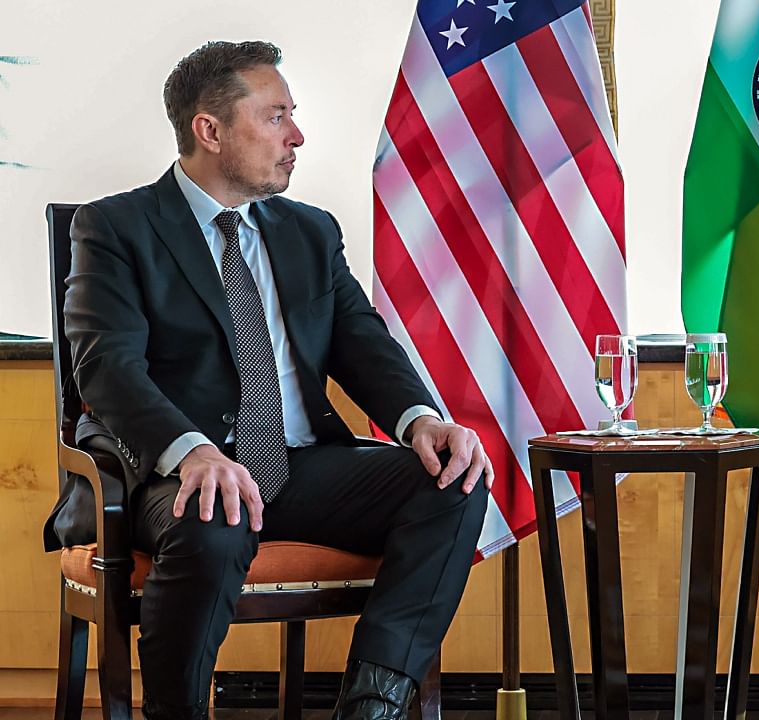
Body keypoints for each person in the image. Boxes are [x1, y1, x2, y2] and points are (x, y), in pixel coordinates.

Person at [45, 40, 493, 720]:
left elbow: (363, 343)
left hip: (302, 467)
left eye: (294, 115)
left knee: (455, 476)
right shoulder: (116, 228)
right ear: (210, 129)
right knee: (215, 519)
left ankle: (373, 704)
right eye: (277, 115)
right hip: (178, 476)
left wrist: (421, 420)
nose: (297, 135)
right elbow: (107, 367)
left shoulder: (309, 232)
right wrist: (195, 452)